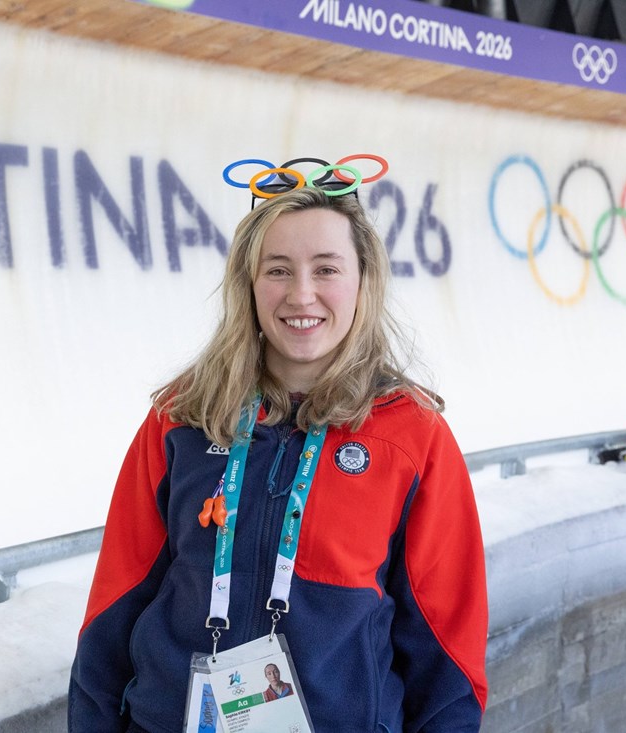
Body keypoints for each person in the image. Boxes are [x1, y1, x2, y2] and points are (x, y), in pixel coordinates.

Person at [68, 185, 488, 732]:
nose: (302, 295)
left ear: (363, 281)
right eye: (279, 269)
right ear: (248, 282)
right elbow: (115, 600)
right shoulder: (180, 418)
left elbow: (446, 642)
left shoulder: (412, 435)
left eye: (327, 269)